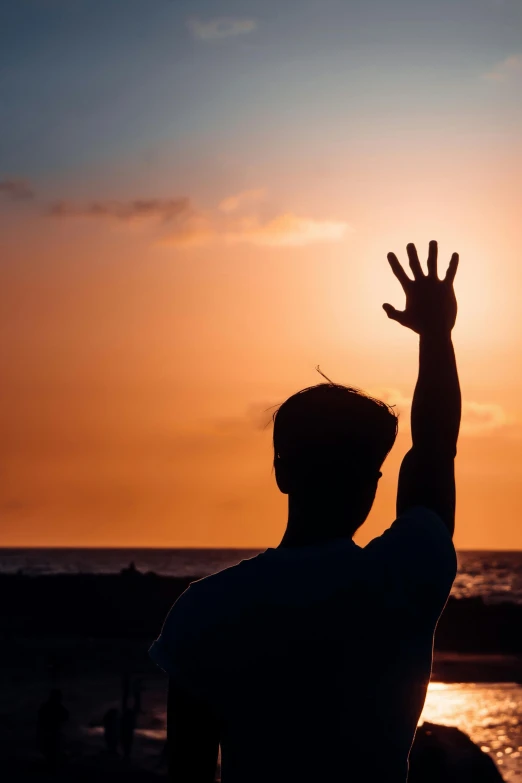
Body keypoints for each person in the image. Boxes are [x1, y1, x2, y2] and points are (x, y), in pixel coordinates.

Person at [150, 241, 461, 783]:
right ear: (373, 484)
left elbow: (188, 773)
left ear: (281, 472)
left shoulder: (206, 608)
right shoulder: (404, 577)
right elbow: (434, 448)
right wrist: (437, 335)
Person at [37, 688, 69, 769]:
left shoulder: (45, 707)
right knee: (53, 754)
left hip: (48, 735)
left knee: (51, 754)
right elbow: (66, 716)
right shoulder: (57, 708)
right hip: (52, 735)